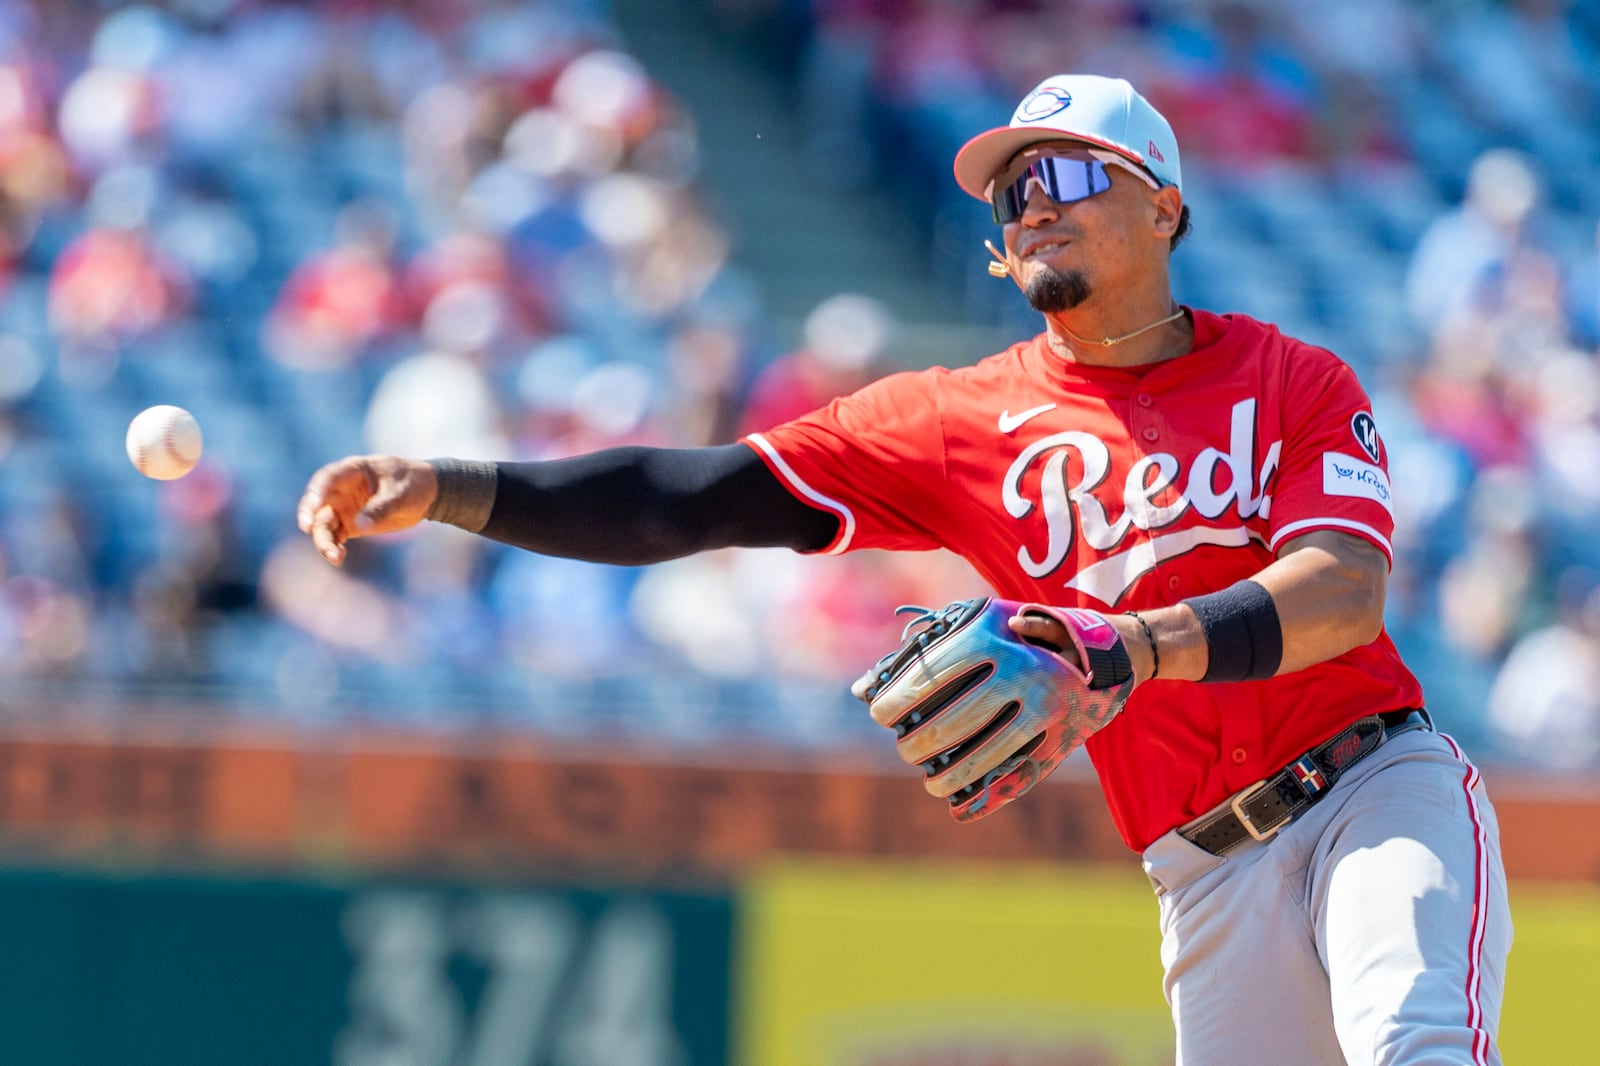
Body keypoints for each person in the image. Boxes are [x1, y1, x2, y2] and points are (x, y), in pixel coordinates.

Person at [297, 74, 1511, 1065]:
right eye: (1013, 191)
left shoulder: (1290, 379)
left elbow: (1342, 593)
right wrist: (456, 488)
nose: (1033, 206)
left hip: (1369, 790)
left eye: (1071, 175)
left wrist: (1128, 647)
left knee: (1418, 1048)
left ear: (1162, 207)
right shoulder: (955, 421)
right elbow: (698, 497)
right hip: (1198, 868)